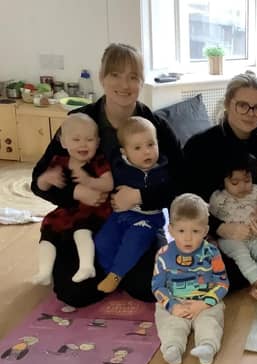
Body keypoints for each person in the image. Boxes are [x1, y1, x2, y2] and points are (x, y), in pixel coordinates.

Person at [31, 43, 181, 307]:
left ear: (142, 82)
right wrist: (76, 192)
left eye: (133, 77)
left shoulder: (155, 126)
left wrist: (141, 196)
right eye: (115, 75)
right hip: (85, 225)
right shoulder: (78, 123)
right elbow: (38, 181)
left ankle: (120, 272)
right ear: (102, 77)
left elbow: (182, 181)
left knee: (147, 288)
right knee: (74, 294)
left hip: (139, 223)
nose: (124, 84)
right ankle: (107, 270)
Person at [181, 71, 257, 293]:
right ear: (228, 103)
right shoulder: (199, 145)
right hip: (212, 231)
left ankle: (256, 278)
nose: (250, 113)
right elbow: (185, 203)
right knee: (217, 274)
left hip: (256, 232)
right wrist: (221, 229)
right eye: (242, 105)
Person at [32, 114, 113, 286]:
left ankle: (86, 266)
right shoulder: (58, 161)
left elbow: (109, 183)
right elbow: (39, 186)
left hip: (93, 210)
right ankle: (44, 271)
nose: (83, 144)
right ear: (63, 142)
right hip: (68, 210)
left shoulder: (97, 161)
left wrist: (90, 182)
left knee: (81, 230)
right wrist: (46, 179)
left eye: (89, 139)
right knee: (48, 231)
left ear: (98, 142)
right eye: (75, 139)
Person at [94, 117, 171, 293]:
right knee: (102, 241)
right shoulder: (120, 167)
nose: (146, 152)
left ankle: (116, 274)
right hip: (120, 215)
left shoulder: (163, 170)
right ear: (124, 152)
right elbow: (106, 182)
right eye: (137, 148)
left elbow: (172, 194)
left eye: (151, 144)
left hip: (149, 218)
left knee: (135, 239)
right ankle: (111, 272)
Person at [152, 194, 228, 364]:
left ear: (205, 231)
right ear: (170, 230)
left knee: (210, 322)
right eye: (181, 231)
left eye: (195, 231)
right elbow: (157, 286)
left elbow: (222, 283)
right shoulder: (163, 255)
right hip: (176, 301)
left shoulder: (212, 253)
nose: (188, 238)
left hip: (205, 302)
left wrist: (204, 304)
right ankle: (172, 349)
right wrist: (173, 305)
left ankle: (207, 347)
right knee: (171, 324)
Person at [209, 153, 257, 300]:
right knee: (241, 255)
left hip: (255, 235)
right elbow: (205, 218)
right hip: (230, 239)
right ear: (224, 181)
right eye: (235, 183)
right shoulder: (218, 197)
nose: (242, 186)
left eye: (247, 180)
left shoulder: (256, 191)